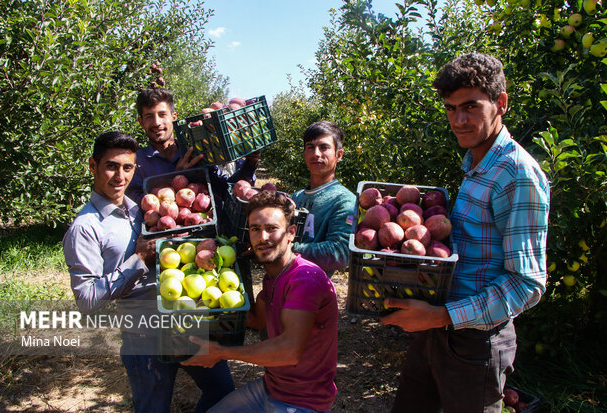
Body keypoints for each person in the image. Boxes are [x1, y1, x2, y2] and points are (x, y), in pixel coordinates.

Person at [380, 52, 550, 412]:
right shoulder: (476, 161)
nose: (458, 120)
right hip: (438, 326)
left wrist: (442, 316)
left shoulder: (517, 173)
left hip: (476, 342)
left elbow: (527, 284)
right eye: (450, 108)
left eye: (470, 107)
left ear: (501, 103)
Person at [62, 131, 235, 413]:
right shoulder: (85, 229)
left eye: (127, 167)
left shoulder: (140, 209)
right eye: (111, 166)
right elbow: (87, 300)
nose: (120, 176)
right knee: (153, 407)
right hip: (143, 335)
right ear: (93, 166)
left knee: (223, 392)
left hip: (185, 318)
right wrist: (138, 258)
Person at [182, 190, 338, 413]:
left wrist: (221, 352)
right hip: (271, 387)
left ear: (291, 233)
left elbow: (289, 351)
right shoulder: (273, 277)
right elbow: (256, 320)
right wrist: (211, 293)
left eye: (272, 228)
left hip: (303, 402)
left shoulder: (305, 279)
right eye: (256, 229)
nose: (262, 237)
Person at [126, 88, 260, 207]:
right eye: (149, 117)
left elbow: (225, 190)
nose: (157, 122)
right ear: (141, 122)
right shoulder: (135, 161)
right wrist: (175, 178)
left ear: (173, 117)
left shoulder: (195, 152)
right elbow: (133, 202)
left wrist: (251, 163)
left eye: (162, 115)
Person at [291, 121, 356, 277]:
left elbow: (339, 254)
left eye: (324, 147)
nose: (316, 154)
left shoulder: (344, 201)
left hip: (312, 291)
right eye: (310, 147)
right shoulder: (297, 197)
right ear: (304, 153)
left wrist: (285, 249)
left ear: (338, 155)